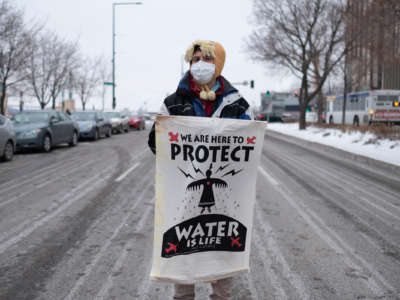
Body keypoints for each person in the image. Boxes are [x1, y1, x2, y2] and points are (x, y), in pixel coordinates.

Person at [148, 40, 252, 300]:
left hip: (224, 207)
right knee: (183, 258)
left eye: (206, 59)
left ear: (217, 64)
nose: (199, 65)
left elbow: (249, 143)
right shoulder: (173, 102)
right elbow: (155, 143)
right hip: (183, 200)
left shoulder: (237, 104)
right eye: (194, 60)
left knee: (222, 258)